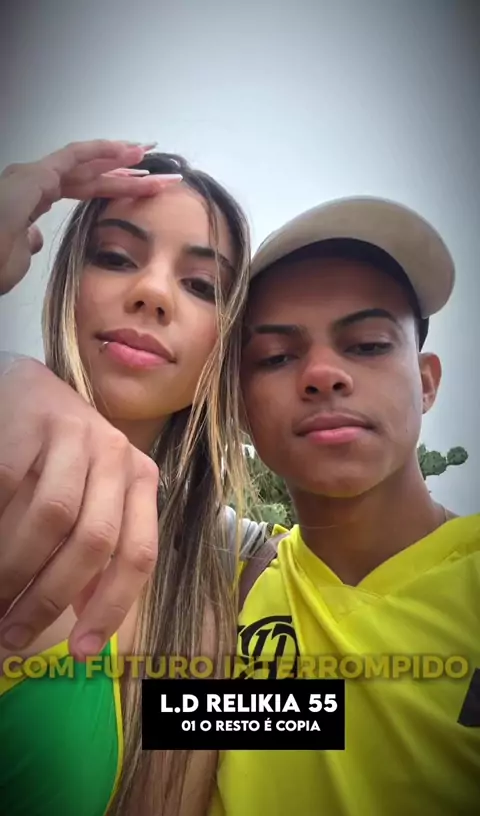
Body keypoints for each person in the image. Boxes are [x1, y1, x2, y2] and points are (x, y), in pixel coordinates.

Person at [0, 140, 267, 816]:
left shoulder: (216, 594)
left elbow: (333, 720)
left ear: (225, 347)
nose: (151, 293)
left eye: (202, 286)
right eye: (116, 256)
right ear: (68, 284)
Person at [210, 197, 480, 815]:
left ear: (427, 381)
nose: (323, 374)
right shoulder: (221, 588)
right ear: (241, 409)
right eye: (276, 357)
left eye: (367, 344)